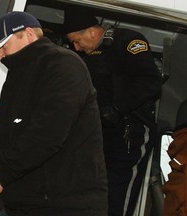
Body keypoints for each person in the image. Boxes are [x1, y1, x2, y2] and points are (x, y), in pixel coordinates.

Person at [0, 11, 108, 216]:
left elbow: (46, 135)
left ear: (28, 34)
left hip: (65, 205)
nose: (0, 56)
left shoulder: (64, 65)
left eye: (3, 47)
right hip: (26, 202)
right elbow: (1, 137)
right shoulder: (17, 76)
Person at [63, 12, 162, 216]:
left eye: (77, 41)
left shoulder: (127, 42)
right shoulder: (86, 56)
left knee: (117, 198)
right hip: (99, 137)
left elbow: (151, 80)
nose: (76, 48)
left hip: (130, 135)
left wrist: (118, 108)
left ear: (91, 31)